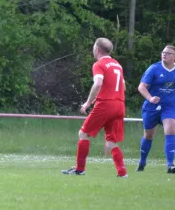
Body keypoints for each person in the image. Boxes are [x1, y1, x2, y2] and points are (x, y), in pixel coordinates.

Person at [62, 38, 128, 177]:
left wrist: (88, 102)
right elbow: (124, 86)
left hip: (106, 104)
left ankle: (80, 169)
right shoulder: (117, 65)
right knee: (111, 141)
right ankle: (122, 172)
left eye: (93, 47)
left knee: (83, 134)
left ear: (97, 49)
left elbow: (98, 83)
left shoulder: (99, 64)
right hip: (120, 104)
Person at [136, 45, 175, 173]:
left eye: (168, 53)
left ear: (173, 57)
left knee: (170, 129)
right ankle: (142, 162)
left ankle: (170, 165)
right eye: (163, 52)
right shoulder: (154, 68)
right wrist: (150, 98)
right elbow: (141, 87)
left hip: (169, 106)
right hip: (151, 107)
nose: (164, 54)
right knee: (148, 135)